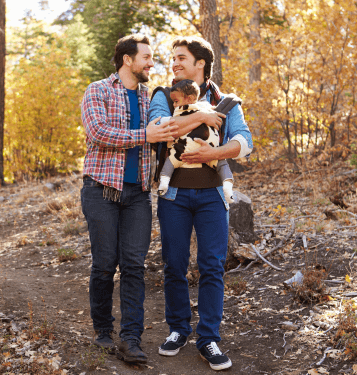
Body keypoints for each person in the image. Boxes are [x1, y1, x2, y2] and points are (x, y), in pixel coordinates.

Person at [148, 36, 253, 371]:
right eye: (173, 58)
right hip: (174, 196)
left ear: (200, 64)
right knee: (174, 265)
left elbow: (244, 141)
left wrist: (213, 153)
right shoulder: (164, 95)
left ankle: (208, 337)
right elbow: (160, 128)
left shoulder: (226, 100)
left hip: (211, 196)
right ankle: (178, 329)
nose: (175, 63)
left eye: (181, 58)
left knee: (211, 266)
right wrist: (203, 117)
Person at [80, 34, 178, 364]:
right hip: (101, 191)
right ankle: (104, 333)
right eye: (147, 57)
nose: (152, 63)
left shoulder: (151, 97)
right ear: (127, 60)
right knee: (105, 265)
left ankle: (131, 338)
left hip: (138, 195)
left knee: (134, 266)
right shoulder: (98, 90)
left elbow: (165, 135)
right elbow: (98, 133)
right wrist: (144, 135)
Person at [156, 79, 235, 203]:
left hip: (206, 153)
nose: (175, 105)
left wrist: (214, 152)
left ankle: (228, 187)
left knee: (221, 163)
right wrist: (202, 117)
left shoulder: (205, 107)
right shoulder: (202, 110)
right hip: (182, 151)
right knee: (171, 160)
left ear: (190, 98)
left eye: (176, 102)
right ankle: (164, 182)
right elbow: (164, 128)